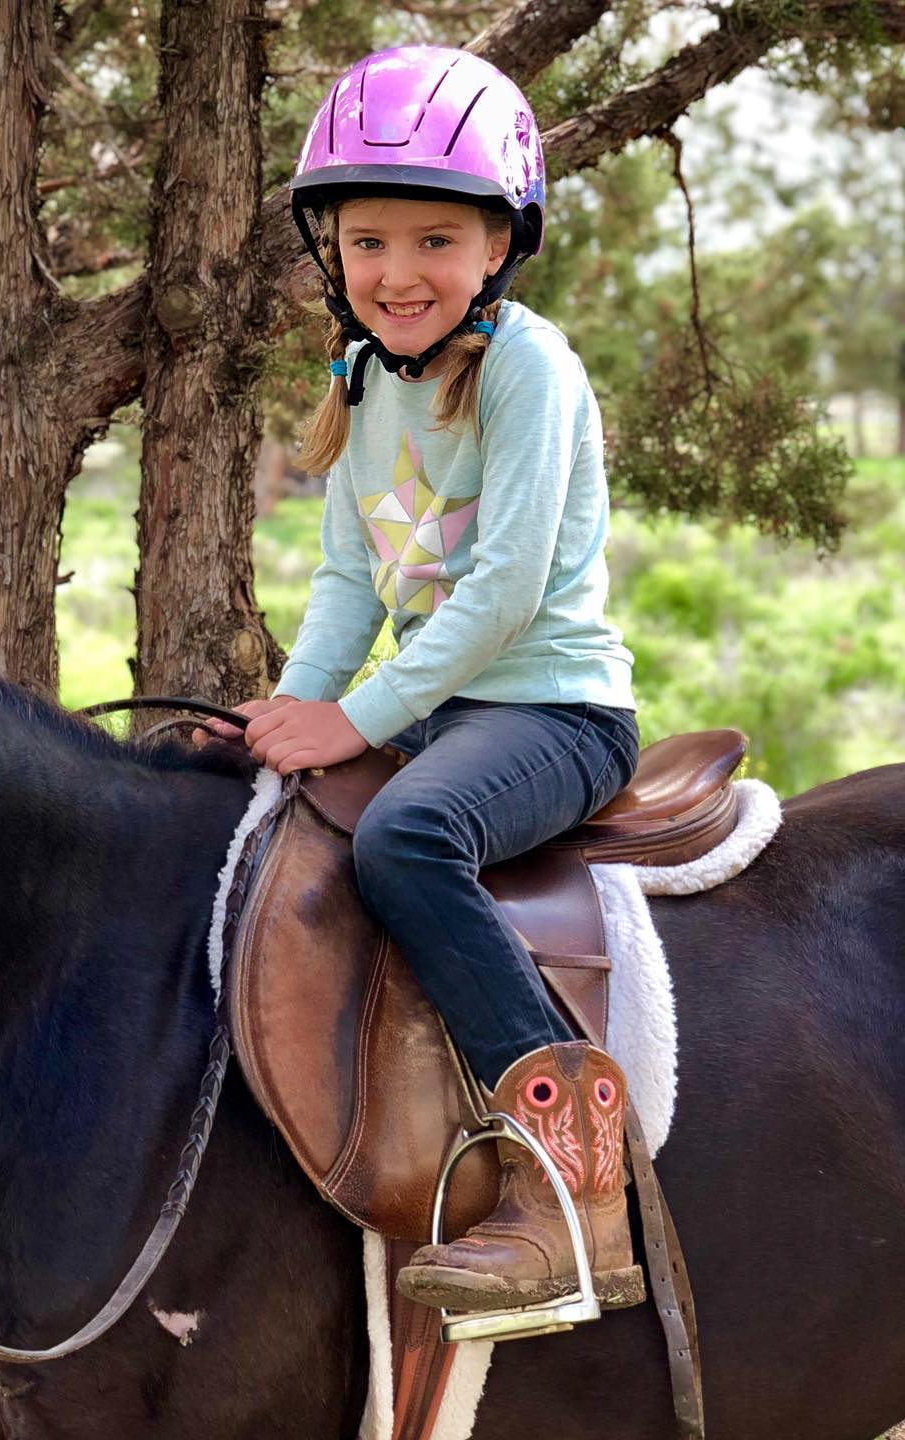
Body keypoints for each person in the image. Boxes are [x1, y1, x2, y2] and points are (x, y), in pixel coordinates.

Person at [206, 44, 645, 1318]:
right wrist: (293, 711)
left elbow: (506, 588)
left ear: (502, 241)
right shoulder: (361, 379)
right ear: (330, 252)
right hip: (448, 707)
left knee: (407, 835)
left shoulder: (528, 368)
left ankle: (572, 1191)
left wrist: (359, 719)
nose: (397, 273)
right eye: (367, 242)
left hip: (555, 710)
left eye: (435, 239)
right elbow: (351, 581)